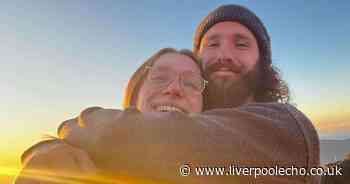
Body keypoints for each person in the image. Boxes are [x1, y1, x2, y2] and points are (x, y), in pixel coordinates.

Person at [15, 4, 320, 184]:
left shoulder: (285, 127)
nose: (224, 54)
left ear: (263, 62)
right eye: (211, 45)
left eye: (241, 44)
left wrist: (71, 132)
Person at [15, 48, 207, 184]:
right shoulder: (78, 161)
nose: (174, 89)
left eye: (191, 83)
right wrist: (46, 152)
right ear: (135, 93)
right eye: (160, 77)